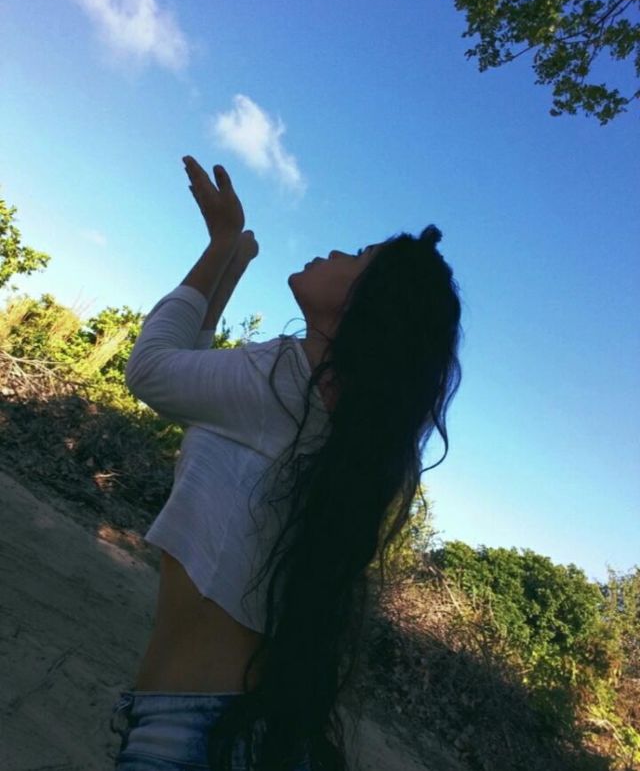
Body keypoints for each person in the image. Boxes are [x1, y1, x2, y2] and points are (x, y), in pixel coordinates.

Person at [109, 157, 464, 770]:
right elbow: (191, 378)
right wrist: (230, 260)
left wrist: (220, 245)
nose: (339, 250)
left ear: (369, 303)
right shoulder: (339, 425)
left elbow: (151, 370)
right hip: (245, 730)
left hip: (183, 736)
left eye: (361, 255)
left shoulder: (285, 379)